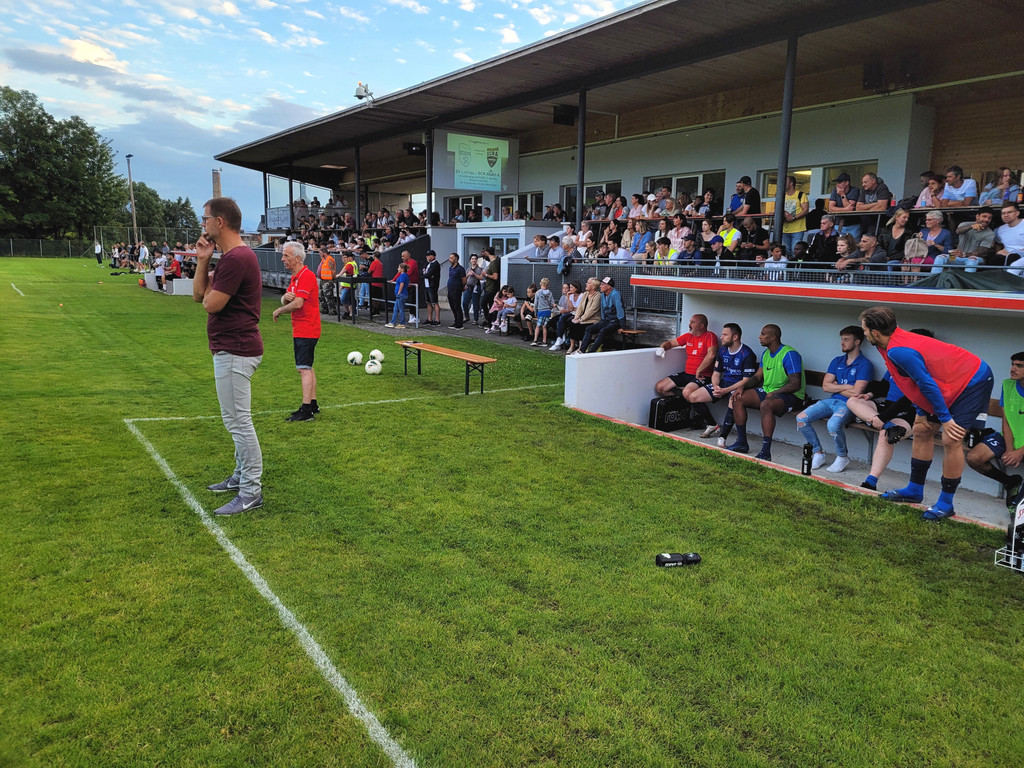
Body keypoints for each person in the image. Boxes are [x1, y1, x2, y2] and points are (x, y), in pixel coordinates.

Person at [860, 306, 994, 520]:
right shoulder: (885, 345)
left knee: (952, 439)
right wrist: (922, 410)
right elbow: (910, 382)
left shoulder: (898, 350)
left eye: (865, 330)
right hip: (945, 382)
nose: (864, 334)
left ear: (875, 332)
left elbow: (926, 383)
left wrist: (946, 419)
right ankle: (914, 490)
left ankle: (946, 503)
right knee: (921, 430)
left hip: (972, 380)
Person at [193, 197, 264, 516]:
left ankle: (251, 491)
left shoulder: (237, 258)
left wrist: (209, 291)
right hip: (230, 346)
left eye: (205, 218)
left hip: (236, 348)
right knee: (235, 420)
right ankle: (240, 478)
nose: (203, 224)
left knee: (238, 422)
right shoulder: (229, 257)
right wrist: (203, 259)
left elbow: (211, 304)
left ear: (219, 222)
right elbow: (199, 295)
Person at [796, 326, 875, 473]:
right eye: (842, 339)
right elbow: (826, 386)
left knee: (833, 425)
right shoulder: (837, 361)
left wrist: (837, 385)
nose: (842, 343)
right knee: (801, 418)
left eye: (846, 339)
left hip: (850, 405)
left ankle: (842, 456)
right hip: (831, 401)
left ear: (857, 342)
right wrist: (846, 387)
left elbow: (857, 392)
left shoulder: (865, 364)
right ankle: (818, 453)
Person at [727, 324, 805, 461]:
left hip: (792, 396)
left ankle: (765, 451)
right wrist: (742, 387)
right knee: (738, 398)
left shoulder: (790, 354)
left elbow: (795, 384)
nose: (759, 337)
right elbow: (758, 377)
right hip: (770, 391)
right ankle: (742, 443)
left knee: (766, 405)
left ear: (773, 337)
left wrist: (776, 393)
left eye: (763, 334)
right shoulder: (766, 353)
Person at [965, 352, 1024, 508]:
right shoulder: (1008, 385)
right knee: (974, 458)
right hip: (1008, 438)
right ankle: (1010, 482)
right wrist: (1010, 448)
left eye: (1019, 366)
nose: (1013, 369)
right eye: (1012, 364)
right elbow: (1007, 420)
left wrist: (1020, 452)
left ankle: (1019, 504)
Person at [272, 241, 321, 422]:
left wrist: (279, 310)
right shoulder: (296, 277)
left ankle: (306, 410)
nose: (282, 259)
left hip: (306, 329)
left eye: (286, 255)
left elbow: (298, 303)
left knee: (304, 369)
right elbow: (290, 299)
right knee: (307, 367)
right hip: (303, 328)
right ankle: (313, 404)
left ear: (298, 258)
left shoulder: (305, 276)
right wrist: (284, 298)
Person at [687, 323, 758, 446]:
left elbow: (746, 380)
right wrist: (716, 387)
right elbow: (716, 373)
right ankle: (713, 424)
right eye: (722, 334)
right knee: (693, 397)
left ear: (735, 337)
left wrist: (725, 391)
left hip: (739, 387)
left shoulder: (747, 354)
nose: (721, 337)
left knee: (733, 401)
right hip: (723, 384)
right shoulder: (723, 350)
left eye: (725, 335)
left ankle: (722, 437)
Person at [655, 313, 718, 429]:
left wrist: (699, 369)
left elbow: (712, 354)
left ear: (701, 325)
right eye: (690, 322)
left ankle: (712, 423)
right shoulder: (688, 336)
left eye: (693, 322)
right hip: (687, 373)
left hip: (702, 376)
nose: (689, 325)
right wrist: (662, 348)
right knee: (660, 387)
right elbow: (670, 343)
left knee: (687, 392)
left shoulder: (710, 336)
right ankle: (686, 405)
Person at [931, 207, 995, 273]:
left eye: (989, 218)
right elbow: (958, 231)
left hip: (976, 258)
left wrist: (964, 254)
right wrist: (971, 226)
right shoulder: (965, 224)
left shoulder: (990, 233)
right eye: (984, 216)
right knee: (940, 257)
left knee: (972, 260)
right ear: (977, 216)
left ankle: (965, 282)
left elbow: (982, 251)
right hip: (958, 255)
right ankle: (933, 281)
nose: (987, 220)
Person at [577, 276, 624, 355]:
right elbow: (602, 309)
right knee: (589, 329)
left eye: (602, 284)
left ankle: (592, 352)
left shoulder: (615, 294)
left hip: (615, 321)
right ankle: (581, 351)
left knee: (603, 331)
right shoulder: (602, 295)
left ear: (608, 286)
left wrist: (622, 326)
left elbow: (620, 310)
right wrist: (602, 320)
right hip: (606, 320)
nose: (600, 286)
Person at [565, 278, 601, 355]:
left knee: (581, 325)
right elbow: (580, 307)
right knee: (572, 322)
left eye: (588, 283)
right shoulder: (585, 294)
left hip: (592, 319)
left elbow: (592, 310)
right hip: (582, 317)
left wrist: (581, 319)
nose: (586, 284)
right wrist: (576, 317)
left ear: (594, 286)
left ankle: (581, 348)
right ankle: (572, 346)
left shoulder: (598, 296)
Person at [781, 175, 809, 256]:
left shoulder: (801, 195)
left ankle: (796, 268)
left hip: (798, 229)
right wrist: (784, 212)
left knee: (796, 251)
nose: (782, 183)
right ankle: (789, 268)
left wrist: (793, 217)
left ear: (791, 183)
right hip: (784, 229)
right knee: (787, 252)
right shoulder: (782, 195)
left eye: (785, 182)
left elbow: (806, 210)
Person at [828, 172, 861, 239]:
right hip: (839, 224)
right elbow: (831, 208)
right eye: (837, 183)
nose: (837, 185)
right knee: (839, 245)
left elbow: (850, 208)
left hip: (853, 225)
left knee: (854, 246)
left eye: (840, 182)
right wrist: (846, 209)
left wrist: (842, 195)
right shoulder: (835, 191)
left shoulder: (855, 190)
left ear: (847, 183)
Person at [995, 201, 1024, 275]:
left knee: (1013, 261)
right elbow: (996, 243)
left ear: (1017, 213)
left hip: (1019, 257)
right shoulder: (1000, 230)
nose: (1006, 215)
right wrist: (999, 251)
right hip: (1007, 258)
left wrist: (1012, 252)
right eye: (1003, 213)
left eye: (1009, 212)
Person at [531, 277, 556, 346]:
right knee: (544, 326)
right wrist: (550, 308)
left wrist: (535, 311)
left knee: (538, 326)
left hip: (541, 311)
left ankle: (535, 340)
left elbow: (536, 303)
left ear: (541, 284)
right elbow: (552, 302)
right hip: (547, 311)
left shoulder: (538, 293)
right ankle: (544, 341)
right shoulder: (550, 293)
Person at [480, 246, 500, 325]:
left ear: (488, 253)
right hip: (489, 286)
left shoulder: (494, 263)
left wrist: (486, 274)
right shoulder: (493, 261)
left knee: (483, 303)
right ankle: (491, 320)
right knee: (491, 304)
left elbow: (495, 277)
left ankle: (489, 319)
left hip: (491, 288)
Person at [446, 252, 467, 329]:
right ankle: (456, 321)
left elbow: (464, 280)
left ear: (456, 259)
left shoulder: (460, 269)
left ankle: (460, 323)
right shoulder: (450, 268)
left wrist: (461, 287)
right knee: (452, 306)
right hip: (450, 290)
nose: (449, 260)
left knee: (457, 306)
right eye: (449, 258)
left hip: (456, 290)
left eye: (451, 258)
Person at [385, 262, 409, 328]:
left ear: (402, 269)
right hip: (401, 294)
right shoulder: (403, 275)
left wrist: (399, 292)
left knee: (400, 309)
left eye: (399, 267)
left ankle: (402, 323)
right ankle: (393, 322)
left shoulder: (403, 275)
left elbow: (402, 283)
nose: (397, 269)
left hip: (401, 294)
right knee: (396, 309)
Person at [462, 254, 483, 325]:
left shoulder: (479, 269)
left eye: (475, 259)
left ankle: (475, 319)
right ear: (470, 260)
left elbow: (481, 277)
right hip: (468, 287)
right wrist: (468, 275)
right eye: (472, 259)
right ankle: (467, 316)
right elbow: (465, 278)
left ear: (477, 260)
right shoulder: (468, 269)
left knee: (475, 303)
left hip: (476, 287)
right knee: (465, 303)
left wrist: (474, 274)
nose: (474, 260)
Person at [422, 250, 441, 325]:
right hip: (427, 285)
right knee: (428, 302)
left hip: (432, 286)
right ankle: (429, 319)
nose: (427, 257)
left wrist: (425, 275)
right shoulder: (427, 264)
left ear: (433, 256)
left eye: (429, 256)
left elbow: (429, 274)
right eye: (427, 256)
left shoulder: (435, 264)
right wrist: (425, 273)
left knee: (434, 302)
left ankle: (437, 320)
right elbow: (423, 270)